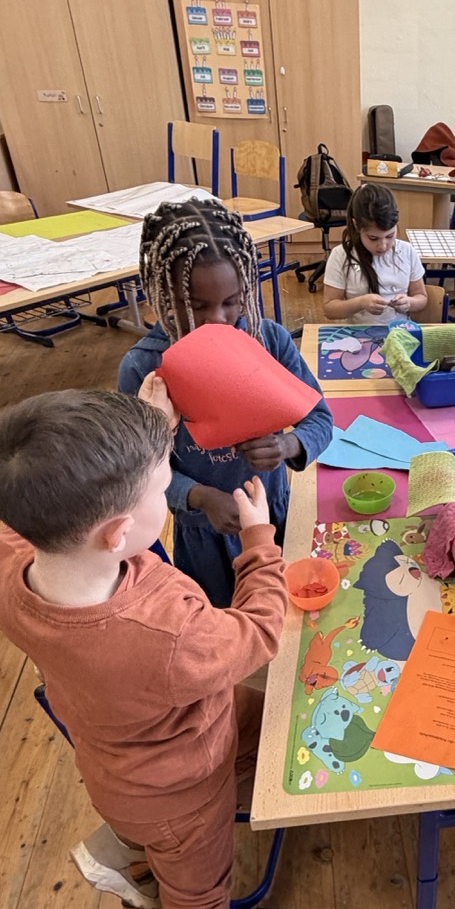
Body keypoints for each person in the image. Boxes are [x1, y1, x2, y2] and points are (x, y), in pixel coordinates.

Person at [0, 389, 288, 909]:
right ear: (118, 533)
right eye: (161, 487)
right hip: (182, 793)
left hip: (119, 755)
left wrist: (148, 430)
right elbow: (261, 630)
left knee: (271, 722)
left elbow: (48, 496)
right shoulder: (168, 637)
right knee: (197, 899)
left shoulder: (9, 562)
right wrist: (259, 545)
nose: (167, 493)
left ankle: (129, 846)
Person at [118, 198, 332, 607]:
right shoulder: (144, 369)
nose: (218, 318)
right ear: (164, 295)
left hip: (276, 516)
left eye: (231, 302)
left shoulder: (268, 341)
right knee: (222, 621)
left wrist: (288, 444)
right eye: (198, 306)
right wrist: (198, 496)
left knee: (286, 610)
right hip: (205, 537)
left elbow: (320, 419)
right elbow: (136, 472)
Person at [322, 182, 428, 323]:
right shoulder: (340, 255)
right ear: (356, 225)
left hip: (399, 330)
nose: (383, 246)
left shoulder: (407, 251)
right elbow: (329, 310)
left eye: (390, 236)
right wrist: (360, 303)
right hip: (358, 332)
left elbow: (421, 297)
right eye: (373, 238)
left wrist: (409, 303)